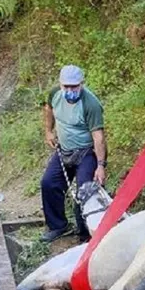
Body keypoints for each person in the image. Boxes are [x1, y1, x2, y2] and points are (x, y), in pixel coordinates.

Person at [40, 65, 107, 242]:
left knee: (85, 191)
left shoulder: (90, 104)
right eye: (66, 86)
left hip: (86, 152)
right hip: (64, 149)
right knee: (49, 183)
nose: (70, 91)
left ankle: (86, 234)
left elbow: (98, 137)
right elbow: (48, 109)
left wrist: (101, 165)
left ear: (81, 84)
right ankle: (58, 226)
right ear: (60, 84)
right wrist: (48, 131)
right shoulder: (55, 94)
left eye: (74, 86)